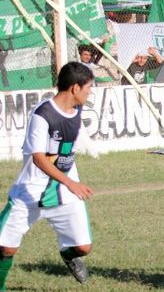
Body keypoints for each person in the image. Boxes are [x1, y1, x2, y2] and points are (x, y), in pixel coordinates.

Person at [0, 62, 95, 290]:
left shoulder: (78, 109)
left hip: (62, 194)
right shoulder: (43, 115)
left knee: (83, 247)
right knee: (5, 248)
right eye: (89, 87)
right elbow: (39, 158)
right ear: (75, 88)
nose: (90, 92)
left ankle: (68, 255)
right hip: (31, 191)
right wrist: (70, 182)